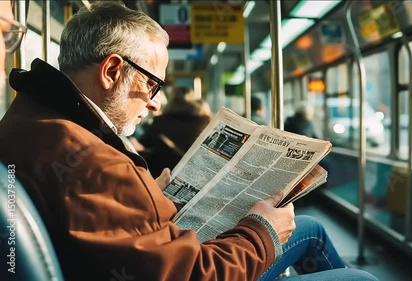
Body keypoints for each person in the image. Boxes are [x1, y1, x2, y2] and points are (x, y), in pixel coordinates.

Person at [0, 2, 378, 281]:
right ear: (112, 70)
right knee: (361, 279)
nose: (155, 101)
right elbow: (192, 275)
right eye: (152, 83)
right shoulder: (95, 163)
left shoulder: (25, 120)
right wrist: (262, 231)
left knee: (308, 227)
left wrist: (144, 195)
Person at [139, 86, 212, 176]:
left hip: (163, 171)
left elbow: (145, 142)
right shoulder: (204, 120)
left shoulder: (161, 120)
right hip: (196, 170)